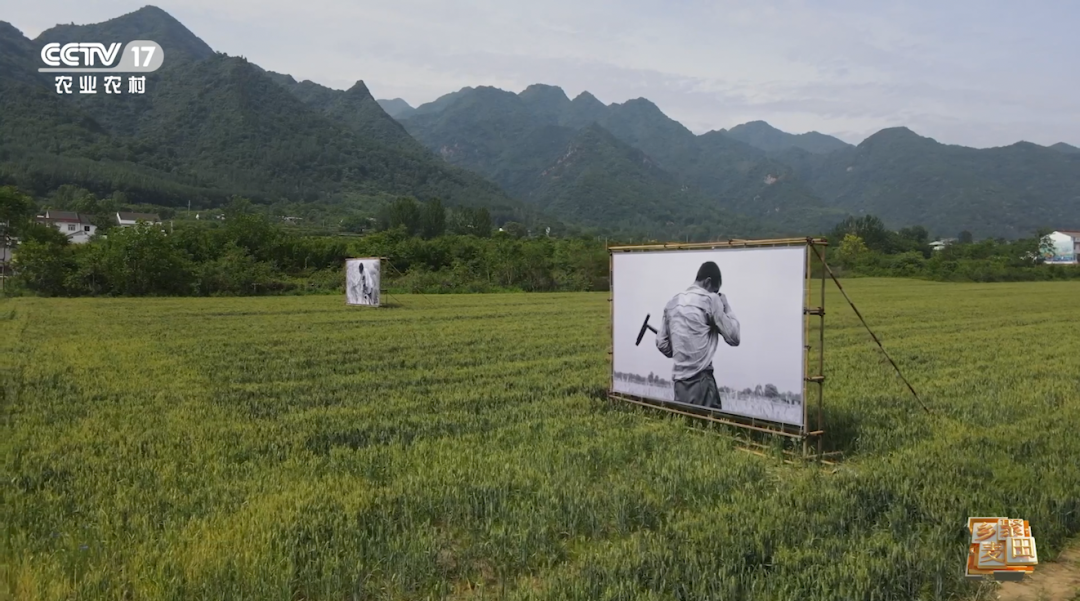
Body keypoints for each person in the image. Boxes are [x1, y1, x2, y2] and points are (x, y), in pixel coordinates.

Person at [655, 261, 740, 409]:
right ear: (708, 282)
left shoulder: (672, 302)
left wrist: (681, 352)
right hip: (702, 383)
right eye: (715, 290)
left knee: (686, 428)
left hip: (679, 386)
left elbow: (661, 343)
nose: (715, 294)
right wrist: (726, 305)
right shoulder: (711, 300)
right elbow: (734, 337)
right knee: (709, 429)